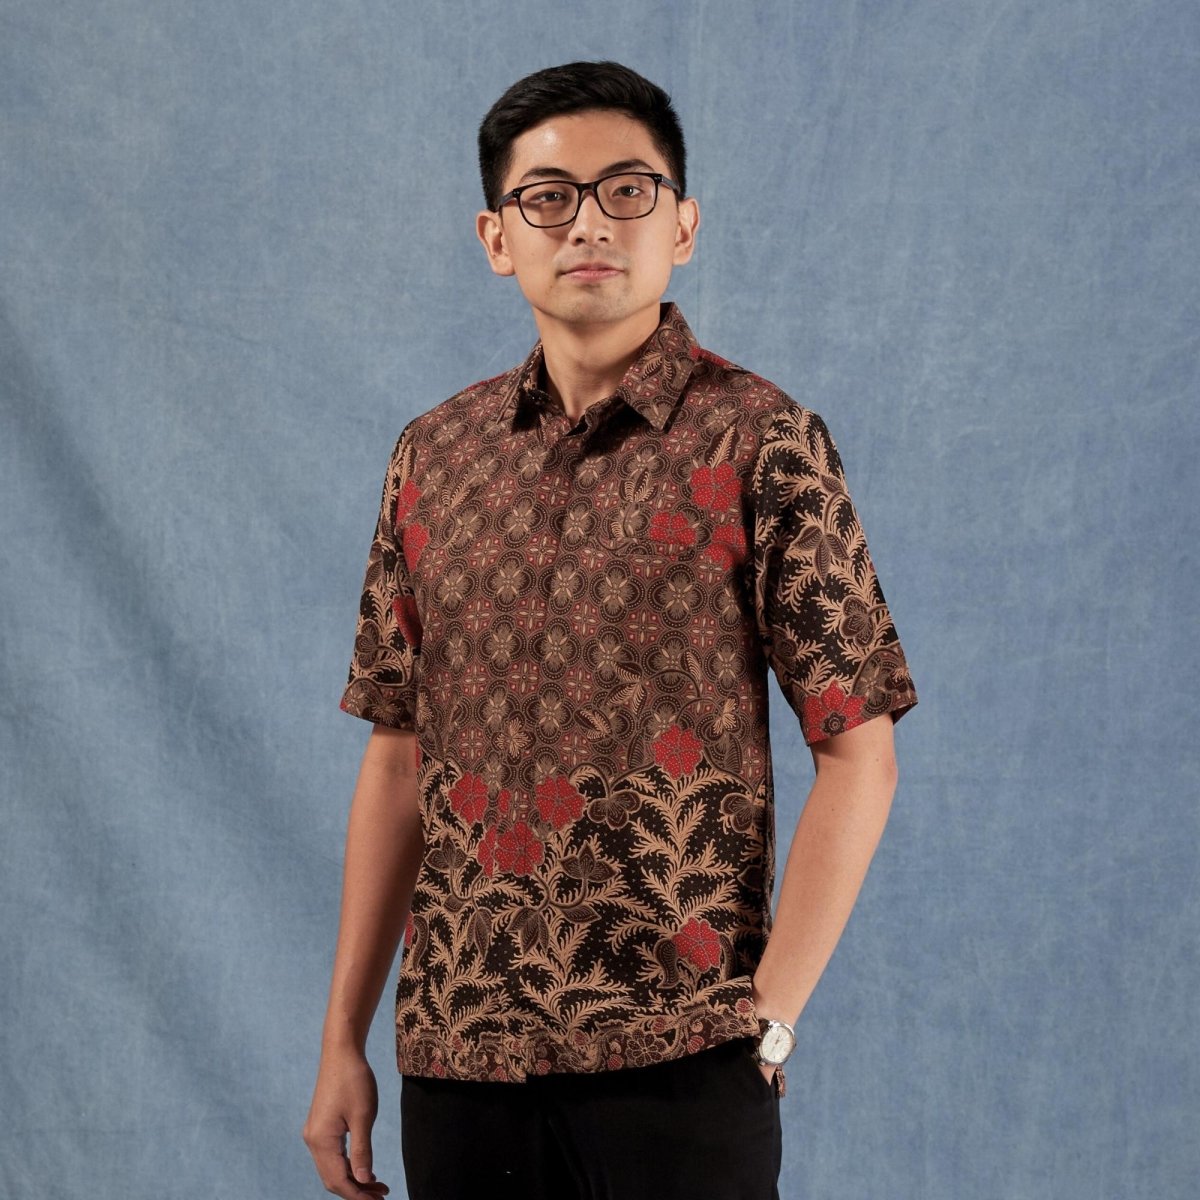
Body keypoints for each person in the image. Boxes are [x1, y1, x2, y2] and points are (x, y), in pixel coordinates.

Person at [303, 60, 918, 1200]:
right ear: (497, 238)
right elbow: (397, 755)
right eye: (549, 198)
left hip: (683, 1067)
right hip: (459, 1064)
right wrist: (343, 1035)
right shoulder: (433, 458)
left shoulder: (763, 443)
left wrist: (768, 1021)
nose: (589, 223)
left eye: (627, 190)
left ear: (682, 224)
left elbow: (859, 751)